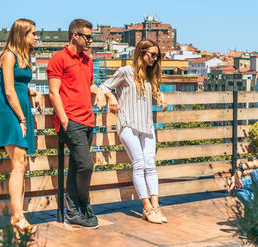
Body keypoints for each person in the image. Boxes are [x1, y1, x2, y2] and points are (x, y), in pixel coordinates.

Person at [100, 39, 168, 224]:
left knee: (151, 166)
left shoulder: (150, 75)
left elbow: (153, 92)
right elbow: (104, 86)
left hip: (146, 126)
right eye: (152, 55)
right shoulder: (125, 72)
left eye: (157, 56)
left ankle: (156, 207)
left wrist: (161, 94)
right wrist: (111, 96)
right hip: (128, 124)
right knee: (139, 165)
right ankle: (146, 208)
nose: (155, 59)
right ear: (141, 53)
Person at [47, 18, 106, 229]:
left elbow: (89, 85)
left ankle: (73, 212)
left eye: (91, 37)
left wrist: (99, 92)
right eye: (87, 37)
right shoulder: (58, 59)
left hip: (87, 120)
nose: (91, 41)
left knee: (76, 167)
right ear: (75, 35)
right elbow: (54, 92)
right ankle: (85, 204)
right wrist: (64, 120)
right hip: (70, 121)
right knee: (86, 165)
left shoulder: (87, 60)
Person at [0, 18, 43, 233]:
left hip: (20, 109)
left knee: (21, 163)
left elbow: (20, 85)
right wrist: (22, 119)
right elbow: (9, 90)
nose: (35, 37)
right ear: (21, 35)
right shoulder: (8, 56)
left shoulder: (23, 57)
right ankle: (17, 216)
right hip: (11, 112)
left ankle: (19, 216)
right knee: (19, 164)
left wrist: (35, 92)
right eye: (32, 33)